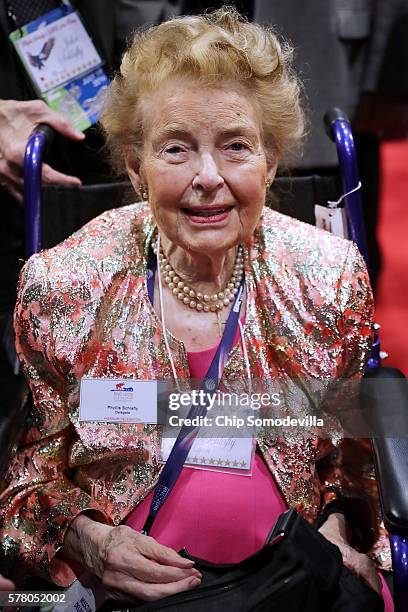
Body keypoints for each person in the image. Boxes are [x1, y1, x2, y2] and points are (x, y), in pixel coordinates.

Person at [0, 8, 392, 608]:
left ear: (271, 159)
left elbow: (351, 465)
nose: (208, 177)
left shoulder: (327, 278)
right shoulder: (66, 286)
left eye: (236, 146)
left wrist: (338, 530)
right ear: (135, 167)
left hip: (289, 586)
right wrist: (87, 539)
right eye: (176, 149)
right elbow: (28, 480)